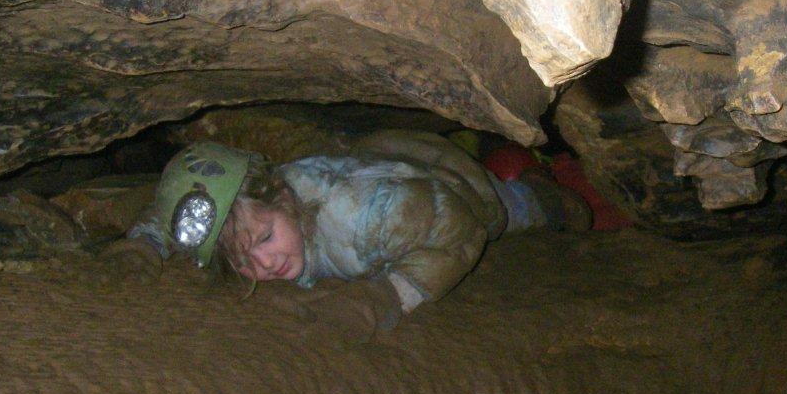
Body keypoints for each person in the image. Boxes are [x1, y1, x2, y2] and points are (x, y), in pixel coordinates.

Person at [105, 130, 590, 339]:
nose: (265, 264)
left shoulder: (361, 217)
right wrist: (147, 242)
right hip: (368, 165)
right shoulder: (259, 211)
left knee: (510, 213)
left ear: (284, 198)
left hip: (450, 188)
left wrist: (386, 296)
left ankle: (540, 191)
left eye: (266, 239)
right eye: (245, 260)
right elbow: (185, 212)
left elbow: (457, 229)